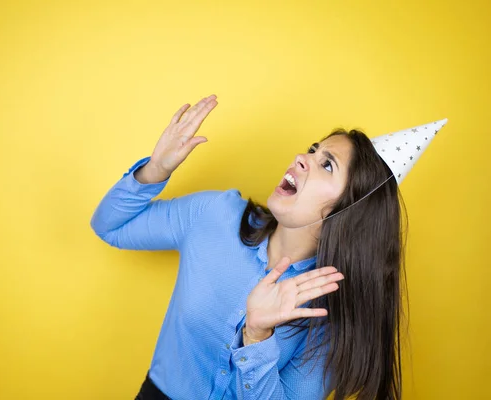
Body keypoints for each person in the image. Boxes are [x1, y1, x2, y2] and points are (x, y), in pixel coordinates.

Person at [91, 94, 446, 399]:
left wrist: (257, 336)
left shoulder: (330, 310)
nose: (301, 158)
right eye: (312, 149)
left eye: (326, 164)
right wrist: (155, 170)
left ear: (349, 211)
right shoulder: (215, 215)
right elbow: (110, 226)